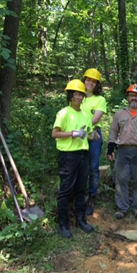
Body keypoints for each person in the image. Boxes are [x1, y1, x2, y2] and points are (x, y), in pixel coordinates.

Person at [106, 84, 137, 220]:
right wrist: (110, 149)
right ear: (128, 97)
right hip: (122, 151)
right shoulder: (120, 114)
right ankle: (122, 208)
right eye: (131, 95)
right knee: (121, 179)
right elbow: (113, 132)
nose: (134, 98)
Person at [52, 79, 94, 238]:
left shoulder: (85, 114)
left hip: (83, 154)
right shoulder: (63, 113)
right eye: (76, 94)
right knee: (66, 190)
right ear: (70, 96)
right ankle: (63, 224)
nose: (79, 97)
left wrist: (92, 135)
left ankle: (81, 219)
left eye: (81, 95)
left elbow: (89, 132)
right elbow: (54, 133)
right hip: (68, 156)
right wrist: (73, 134)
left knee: (81, 188)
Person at [81, 68, 107, 215]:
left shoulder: (100, 99)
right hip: (78, 137)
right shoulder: (78, 96)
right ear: (84, 80)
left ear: (97, 84)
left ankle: (92, 197)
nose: (90, 82)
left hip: (93, 136)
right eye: (88, 80)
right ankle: (80, 194)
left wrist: (81, 130)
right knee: (80, 166)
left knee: (93, 167)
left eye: (93, 81)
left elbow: (96, 118)